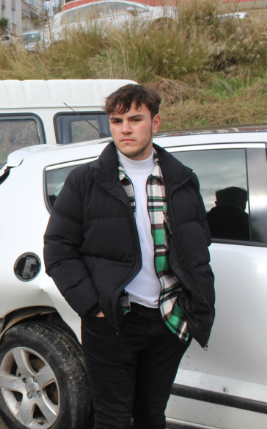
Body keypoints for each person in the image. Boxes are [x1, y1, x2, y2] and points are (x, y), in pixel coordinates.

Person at [43, 84, 215, 429]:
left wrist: (196, 306)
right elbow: (59, 249)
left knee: (152, 416)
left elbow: (198, 247)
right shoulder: (84, 182)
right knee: (113, 419)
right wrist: (93, 306)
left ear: (155, 122)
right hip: (113, 321)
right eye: (117, 120)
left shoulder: (181, 180)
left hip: (168, 319)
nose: (125, 128)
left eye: (135, 119)